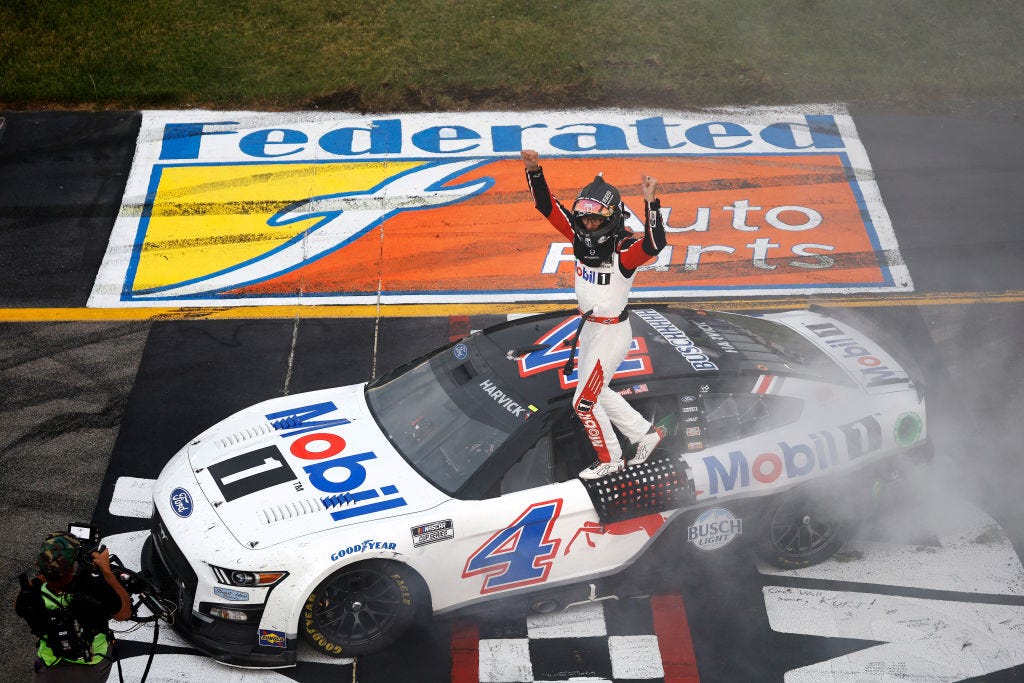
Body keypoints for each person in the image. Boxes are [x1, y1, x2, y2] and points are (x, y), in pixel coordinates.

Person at [522, 149, 668, 479]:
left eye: (596, 219)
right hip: (589, 329)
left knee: (584, 403)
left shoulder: (623, 252)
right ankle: (645, 434)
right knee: (596, 394)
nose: (588, 225)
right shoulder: (576, 236)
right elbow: (547, 206)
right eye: (584, 218)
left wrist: (651, 202)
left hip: (612, 334)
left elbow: (655, 244)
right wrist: (534, 171)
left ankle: (610, 460)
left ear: (612, 218)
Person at [14, 533, 132, 682]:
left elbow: (20, 604)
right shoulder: (94, 588)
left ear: (38, 565)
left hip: (51, 661)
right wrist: (106, 571)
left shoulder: (29, 595)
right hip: (93, 662)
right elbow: (124, 614)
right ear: (74, 567)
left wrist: (47, 571)